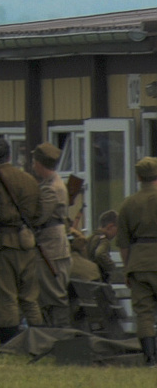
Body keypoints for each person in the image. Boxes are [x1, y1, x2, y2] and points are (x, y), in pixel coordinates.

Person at [0, 135, 42, 342]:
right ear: (10, 155)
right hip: (28, 244)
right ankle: (40, 340)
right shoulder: (29, 180)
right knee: (30, 298)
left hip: (3, 245)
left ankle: (11, 344)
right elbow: (38, 214)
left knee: (7, 298)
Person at [115, 157, 157, 366]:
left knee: (144, 313)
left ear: (139, 177)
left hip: (139, 263)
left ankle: (150, 358)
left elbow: (123, 243)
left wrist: (127, 269)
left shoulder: (128, 204)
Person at [30, 142, 73, 327]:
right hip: (53, 246)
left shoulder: (50, 188)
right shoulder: (53, 183)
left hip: (51, 248)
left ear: (39, 164)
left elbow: (38, 217)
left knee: (55, 294)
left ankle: (62, 335)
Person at [86, 211, 120, 282]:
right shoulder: (104, 240)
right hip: (98, 278)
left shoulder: (90, 238)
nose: (117, 234)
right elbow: (100, 254)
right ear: (110, 227)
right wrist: (112, 267)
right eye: (117, 229)